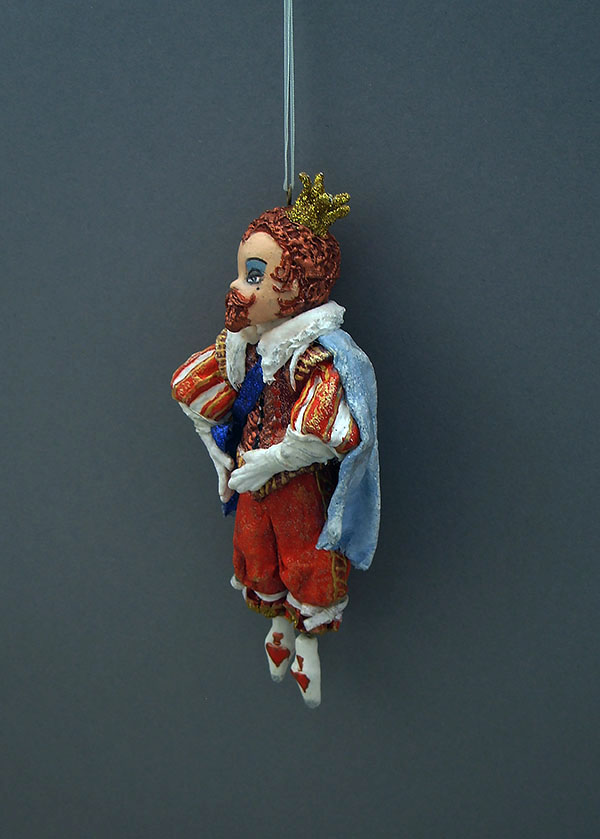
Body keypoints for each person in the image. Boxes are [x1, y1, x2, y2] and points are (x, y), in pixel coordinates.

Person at [171, 173, 380, 708]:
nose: (238, 288)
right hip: (251, 481)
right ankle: (279, 627)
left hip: (295, 487)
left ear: (296, 288)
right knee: (255, 551)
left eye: (256, 275)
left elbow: (327, 432)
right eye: (242, 271)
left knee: (305, 559)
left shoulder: (316, 355)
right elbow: (197, 395)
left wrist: (268, 462)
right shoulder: (245, 348)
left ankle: (306, 641)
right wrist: (220, 457)